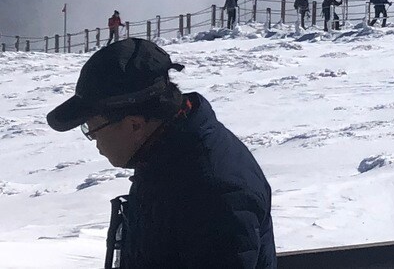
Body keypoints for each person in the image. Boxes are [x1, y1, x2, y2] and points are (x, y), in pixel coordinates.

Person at [46, 38, 276, 268]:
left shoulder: (213, 193)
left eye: (92, 128)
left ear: (134, 125)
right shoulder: (164, 156)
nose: (94, 139)